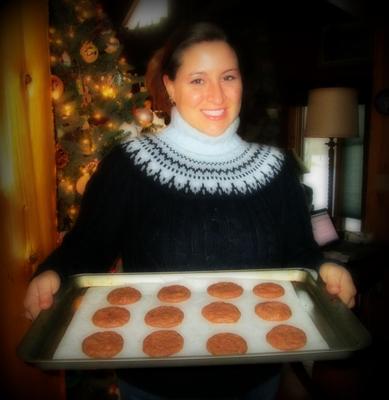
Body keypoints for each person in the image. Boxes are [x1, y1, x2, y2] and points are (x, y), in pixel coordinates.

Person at [24, 22, 356, 399]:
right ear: (170, 87)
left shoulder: (277, 169)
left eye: (228, 76)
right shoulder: (128, 166)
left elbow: (299, 253)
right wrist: (53, 272)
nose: (216, 94)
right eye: (198, 80)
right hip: (154, 384)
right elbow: (88, 247)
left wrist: (324, 267)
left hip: (255, 379)